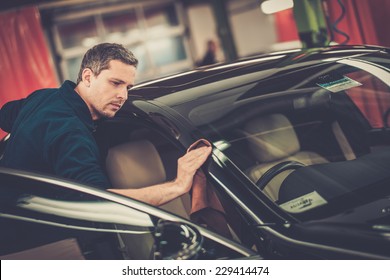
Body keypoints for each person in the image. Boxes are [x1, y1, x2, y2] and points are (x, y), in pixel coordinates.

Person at [0, 43, 212, 206]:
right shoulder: (71, 134)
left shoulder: (42, 97)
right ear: (88, 76)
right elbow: (99, 203)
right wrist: (177, 186)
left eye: (128, 86)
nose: (123, 96)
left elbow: (5, 115)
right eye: (115, 83)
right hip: (38, 237)